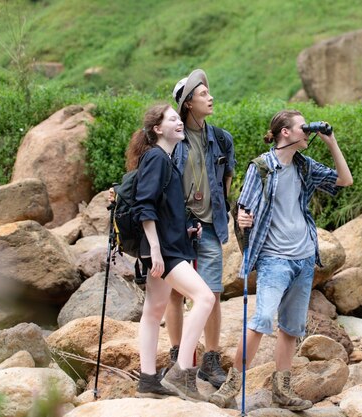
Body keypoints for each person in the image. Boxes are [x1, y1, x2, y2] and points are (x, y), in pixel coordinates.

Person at [209, 109, 353, 410]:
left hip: (303, 259)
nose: (308, 132)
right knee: (261, 320)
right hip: (275, 260)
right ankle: (232, 385)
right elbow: (242, 210)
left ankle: (282, 390)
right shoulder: (261, 167)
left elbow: (344, 180)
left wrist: (331, 142)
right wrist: (244, 219)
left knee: (291, 328)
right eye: (304, 127)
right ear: (285, 132)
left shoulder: (304, 165)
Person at [131, 103, 215, 401]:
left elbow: (165, 210)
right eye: (172, 119)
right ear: (158, 128)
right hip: (164, 251)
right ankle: (181, 373)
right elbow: (145, 205)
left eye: (179, 118)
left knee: (153, 313)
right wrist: (154, 248)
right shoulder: (157, 158)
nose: (179, 122)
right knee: (204, 298)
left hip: (168, 245)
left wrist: (186, 230)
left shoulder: (164, 159)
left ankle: (148, 379)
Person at [165, 69, 236, 388]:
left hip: (209, 226)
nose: (211, 97)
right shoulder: (173, 141)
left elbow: (227, 180)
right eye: (203, 94)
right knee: (176, 295)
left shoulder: (221, 139)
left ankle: (210, 360)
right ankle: (177, 357)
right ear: (188, 103)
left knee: (213, 294)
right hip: (178, 228)